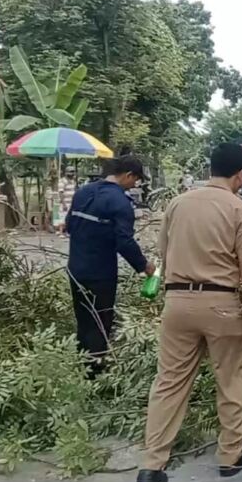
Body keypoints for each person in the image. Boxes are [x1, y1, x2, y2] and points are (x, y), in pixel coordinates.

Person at [136, 143, 242, 482]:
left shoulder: (177, 204)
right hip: (221, 304)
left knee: (169, 383)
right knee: (230, 379)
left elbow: (163, 252)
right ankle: (230, 455)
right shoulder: (241, 209)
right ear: (241, 174)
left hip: (177, 302)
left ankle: (152, 465)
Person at [65, 155, 155, 376]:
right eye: (136, 180)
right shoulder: (120, 203)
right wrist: (144, 266)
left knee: (84, 321)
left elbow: (69, 225)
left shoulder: (83, 192)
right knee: (100, 322)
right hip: (100, 274)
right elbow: (123, 241)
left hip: (75, 269)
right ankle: (95, 375)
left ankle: (82, 367)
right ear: (128, 175)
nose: (135, 185)